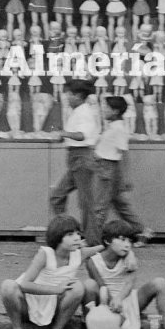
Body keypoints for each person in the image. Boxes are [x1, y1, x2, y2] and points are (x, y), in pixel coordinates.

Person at [0, 215, 102, 329]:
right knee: (7, 286)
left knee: (78, 287)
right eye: (70, 234)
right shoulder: (45, 254)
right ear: (58, 237)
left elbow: (106, 247)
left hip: (54, 306)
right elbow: (24, 284)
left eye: (78, 233)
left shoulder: (79, 254)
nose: (77, 238)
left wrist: (128, 254)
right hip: (29, 304)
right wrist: (56, 290)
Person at [48, 79, 105, 244]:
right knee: (57, 197)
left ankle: (92, 241)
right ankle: (68, 233)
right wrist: (63, 136)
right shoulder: (78, 111)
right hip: (75, 159)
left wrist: (63, 133)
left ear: (78, 96)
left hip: (82, 159)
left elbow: (82, 135)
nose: (67, 97)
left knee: (86, 203)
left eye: (69, 94)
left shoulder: (84, 112)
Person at [95, 96, 155, 246]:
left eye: (106, 108)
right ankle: (143, 230)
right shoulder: (113, 127)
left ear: (115, 111)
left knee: (100, 206)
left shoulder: (119, 129)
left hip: (108, 169)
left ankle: (93, 239)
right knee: (120, 204)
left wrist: (126, 178)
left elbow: (124, 153)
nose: (103, 110)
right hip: (106, 168)